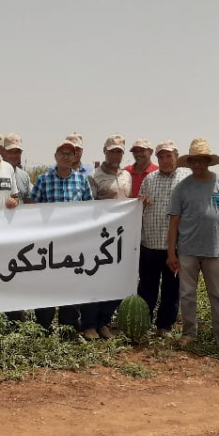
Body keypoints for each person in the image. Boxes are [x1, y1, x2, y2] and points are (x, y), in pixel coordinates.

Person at [167, 138, 219, 354]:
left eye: (202, 160)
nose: (198, 164)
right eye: (194, 161)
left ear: (209, 161)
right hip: (187, 250)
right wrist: (171, 253)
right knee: (187, 294)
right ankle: (189, 333)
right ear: (189, 163)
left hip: (214, 251)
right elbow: (174, 222)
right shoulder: (181, 188)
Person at [28, 137, 93, 334]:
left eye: (69, 154)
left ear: (75, 157)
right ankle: (44, 326)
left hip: (73, 244)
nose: (65, 157)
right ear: (55, 156)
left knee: (71, 284)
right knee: (46, 284)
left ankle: (68, 327)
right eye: (62, 154)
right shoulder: (43, 180)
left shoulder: (82, 180)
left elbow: (90, 208)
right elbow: (31, 208)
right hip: (48, 244)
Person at [137, 140, 191, 338]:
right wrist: (141, 202)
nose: (165, 160)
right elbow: (139, 206)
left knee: (171, 288)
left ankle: (165, 326)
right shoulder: (149, 179)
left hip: (176, 246)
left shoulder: (187, 177)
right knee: (147, 287)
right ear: (157, 158)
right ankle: (143, 323)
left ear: (176, 156)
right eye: (161, 156)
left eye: (169, 156)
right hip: (150, 244)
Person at [83, 135, 131, 339]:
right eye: (112, 151)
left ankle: (104, 322)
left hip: (120, 237)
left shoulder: (126, 175)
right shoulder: (94, 176)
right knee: (95, 280)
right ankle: (89, 325)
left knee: (115, 282)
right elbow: (90, 205)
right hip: (100, 236)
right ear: (105, 152)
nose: (115, 155)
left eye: (119, 151)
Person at [2, 133, 32, 203]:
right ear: (2, 152)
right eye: (10, 152)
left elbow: (29, 202)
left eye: (17, 152)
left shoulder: (24, 176)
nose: (14, 155)